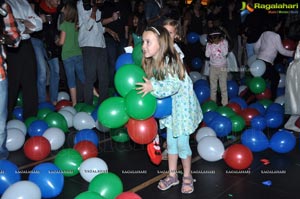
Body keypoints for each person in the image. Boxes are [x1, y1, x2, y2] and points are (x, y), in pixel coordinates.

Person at [136, 26, 202, 194]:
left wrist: (153, 86)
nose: (143, 46)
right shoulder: (153, 61)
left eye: (148, 42)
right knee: (171, 144)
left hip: (183, 109)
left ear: (161, 43)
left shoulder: (170, 60)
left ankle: (187, 175)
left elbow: (172, 85)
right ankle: (173, 176)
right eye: (143, 41)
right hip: (172, 110)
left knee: (182, 144)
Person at [6, 0, 43, 120]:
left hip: (27, 44)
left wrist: (21, 22)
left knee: (30, 81)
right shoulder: (5, 3)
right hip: (11, 46)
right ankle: (6, 119)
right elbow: (11, 28)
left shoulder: (24, 2)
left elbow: (39, 24)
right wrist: (25, 23)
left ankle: (31, 118)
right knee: (12, 83)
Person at [77, 0, 109, 106]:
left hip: (101, 44)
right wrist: (94, 9)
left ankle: (103, 104)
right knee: (90, 77)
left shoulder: (98, 6)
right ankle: (88, 106)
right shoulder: (81, 3)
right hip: (89, 43)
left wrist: (108, 30)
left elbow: (98, 25)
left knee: (104, 76)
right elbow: (89, 25)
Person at [161, 18, 185, 160]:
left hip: (175, 96)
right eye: (164, 32)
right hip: (164, 93)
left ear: (176, 35)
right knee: (166, 123)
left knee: (173, 125)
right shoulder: (160, 49)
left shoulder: (176, 52)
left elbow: (177, 77)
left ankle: (170, 150)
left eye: (170, 32)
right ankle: (167, 146)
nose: (167, 35)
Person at [254, 18, 294, 100]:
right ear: (276, 25)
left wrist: (258, 55)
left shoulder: (264, 33)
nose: (280, 26)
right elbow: (282, 51)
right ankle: (272, 99)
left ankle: (247, 97)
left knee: (261, 79)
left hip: (260, 61)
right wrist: (293, 53)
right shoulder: (276, 36)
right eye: (279, 24)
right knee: (275, 78)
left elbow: (256, 46)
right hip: (267, 62)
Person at [30, 0, 62, 105]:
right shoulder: (36, 7)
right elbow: (28, 24)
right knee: (42, 73)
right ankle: (42, 102)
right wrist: (40, 20)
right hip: (37, 40)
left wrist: (57, 36)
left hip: (50, 43)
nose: (59, 3)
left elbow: (57, 28)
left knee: (56, 71)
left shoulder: (57, 11)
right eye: (57, 0)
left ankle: (54, 100)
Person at [0, 0, 21, 159]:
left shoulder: (2, 7)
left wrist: (3, 36)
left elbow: (15, 39)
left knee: (0, 123)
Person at [56, 1, 85, 106]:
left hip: (67, 56)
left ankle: (74, 103)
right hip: (78, 53)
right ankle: (96, 95)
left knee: (71, 80)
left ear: (68, 11)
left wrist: (57, 42)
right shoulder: (77, 25)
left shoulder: (64, 25)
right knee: (83, 78)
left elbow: (62, 42)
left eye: (65, 8)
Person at [205, 27, 229, 106]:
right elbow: (207, 55)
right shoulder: (209, 44)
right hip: (213, 67)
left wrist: (220, 45)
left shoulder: (224, 42)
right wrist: (210, 46)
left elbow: (225, 53)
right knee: (213, 87)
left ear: (220, 37)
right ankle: (213, 103)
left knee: (223, 87)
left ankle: (225, 104)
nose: (215, 41)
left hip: (222, 67)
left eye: (216, 39)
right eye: (213, 39)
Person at [285, 41, 300, 132]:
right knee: (297, 98)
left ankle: (290, 123)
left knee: (297, 99)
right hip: (297, 70)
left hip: (295, 68)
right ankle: (290, 123)